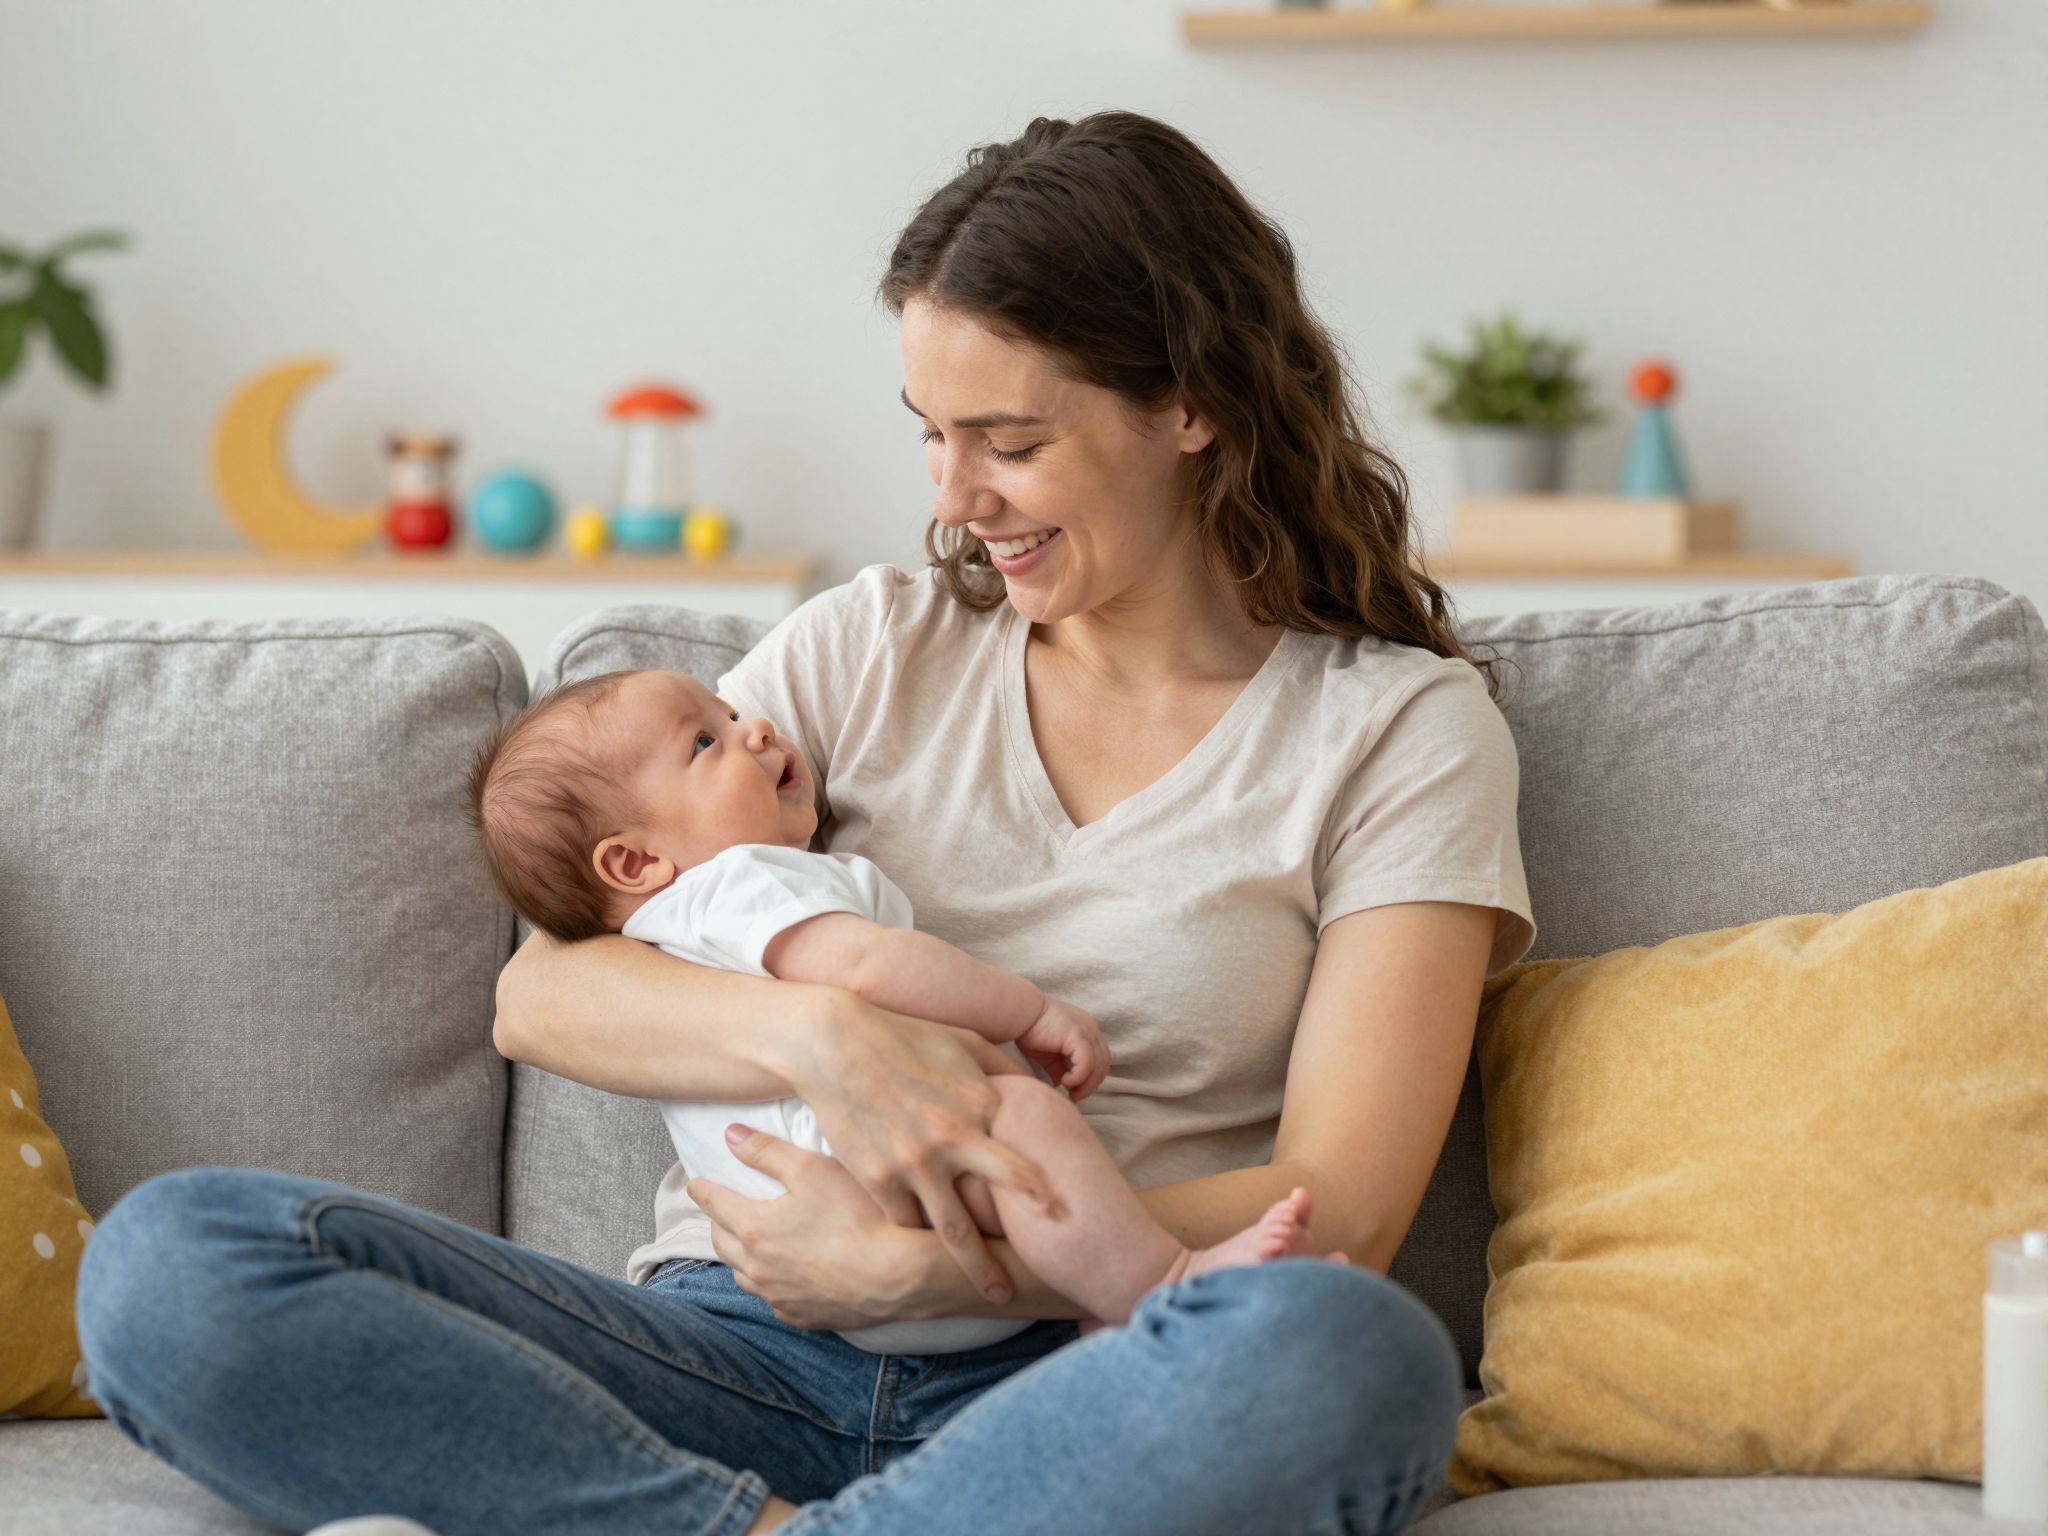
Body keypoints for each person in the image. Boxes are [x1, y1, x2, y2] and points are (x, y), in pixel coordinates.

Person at [75, 109, 1537, 1536]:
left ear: (1190, 404)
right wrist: (821, 1036)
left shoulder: (1395, 733)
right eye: (931, 435)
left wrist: (945, 1273)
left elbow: (1339, 1208)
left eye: (1007, 441)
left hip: (1077, 1379)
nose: (956, 501)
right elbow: (548, 987)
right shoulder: (867, 648)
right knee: (174, 1266)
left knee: (1347, 1356)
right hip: (723, 1355)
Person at [462, 663, 1346, 1355]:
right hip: (860, 1205)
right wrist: (1027, 1009)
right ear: (632, 865)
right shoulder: (737, 887)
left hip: (876, 1257)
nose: (754, 724)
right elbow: (868, 964)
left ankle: (1111, 1300)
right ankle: (1161, 1282)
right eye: (707, 742)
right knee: (1032, 1121)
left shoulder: (685, 920)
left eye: (730, 716)